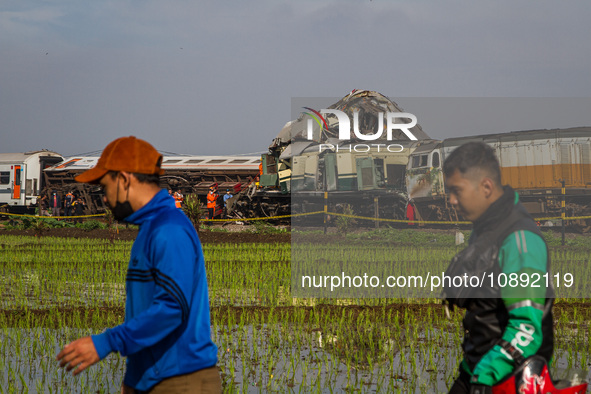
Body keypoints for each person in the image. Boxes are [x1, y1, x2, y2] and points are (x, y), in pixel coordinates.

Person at [56, 136, 221, 393]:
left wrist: (107, 341)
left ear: (123, 179)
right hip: (153, 377)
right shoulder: (150, 229)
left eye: (104, 187)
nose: (105, 199)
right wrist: (134, 378)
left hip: (180, 380)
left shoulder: (169, 230)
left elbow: (172, 309)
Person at [442, 142, 553, 393]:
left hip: (505, 381)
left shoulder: (519, 240)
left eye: (456, 191)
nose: (451, 201)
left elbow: (527, 329)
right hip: (475, 370)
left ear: (486, 187)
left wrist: (484, 376)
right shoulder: (485, 230)